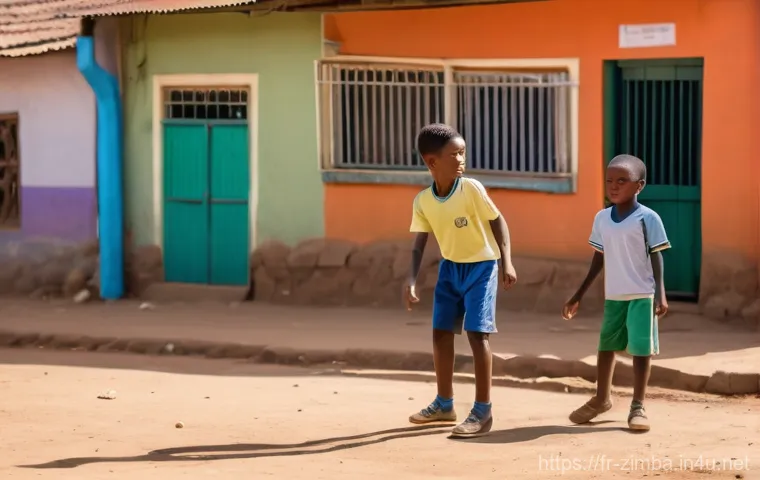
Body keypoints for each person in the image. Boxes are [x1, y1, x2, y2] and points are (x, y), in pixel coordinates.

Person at [403, 123, 517, 438]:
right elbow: (418, 243)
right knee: (440, 333)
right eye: (455, 154)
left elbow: (498, 221)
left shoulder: (471, 189)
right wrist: (411, 279)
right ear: (432, 162)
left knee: (477, 335)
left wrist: (506, 261)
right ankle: (444, 404)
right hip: (450, 270)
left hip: (481, 268)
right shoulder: (423, 200)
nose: (462, 159)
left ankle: (483, 411)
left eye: (463, 152)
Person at [562, 154, 670, 432]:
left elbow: (657, 255)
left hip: (641, 294)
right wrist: (578, 294)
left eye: (622, 181)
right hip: (614, 295)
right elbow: (598, 258)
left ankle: (638, 406)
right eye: (609, 180)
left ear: (639, 185)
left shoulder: (648, 218)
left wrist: (660, 293)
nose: (614, 186)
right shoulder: (602, 218)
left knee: (641, 350)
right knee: (606, 347)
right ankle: (601, 398)